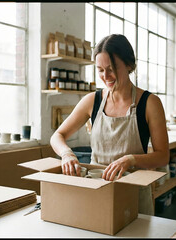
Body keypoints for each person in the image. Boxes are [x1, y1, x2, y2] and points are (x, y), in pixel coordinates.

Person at [50, 34, 169, 215]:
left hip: (133, 195)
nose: (106, 76)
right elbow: (57, 136)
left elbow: (162, 157)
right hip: (97, 191)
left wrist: (131, 159)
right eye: (100, 70)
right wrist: (66, 154)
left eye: (111, 69)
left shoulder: (150, 103)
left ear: (129, 65)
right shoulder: (93, 101)